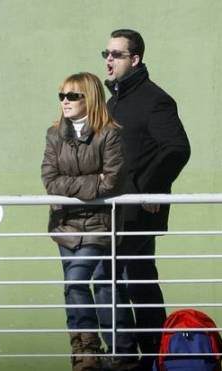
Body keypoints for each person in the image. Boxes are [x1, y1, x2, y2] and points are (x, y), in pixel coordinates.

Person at [94, 28, 191, 370]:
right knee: (113, 279)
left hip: (138, 210)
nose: (108, 60)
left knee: (137, 280)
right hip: (112, 210)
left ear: (135, 60)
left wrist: (150, 187)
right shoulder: (113, 101)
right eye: (105, 53)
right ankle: (127, 351)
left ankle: (152, 355)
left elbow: (177, 148)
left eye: (116, 54)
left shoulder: (154, 99)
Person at [41, 72, 135, 371]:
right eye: (62, 96)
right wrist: (90, 183)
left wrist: (77, 185)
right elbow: (49, 179)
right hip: (64, 223)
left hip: (97, 225)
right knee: (73, 288)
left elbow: (112, 183)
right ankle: (84, 352)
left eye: (73, 96)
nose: (65, 102)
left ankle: (101, 349)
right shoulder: (55, 134)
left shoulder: (109, 134)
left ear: (90, 98)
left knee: (78, 280)